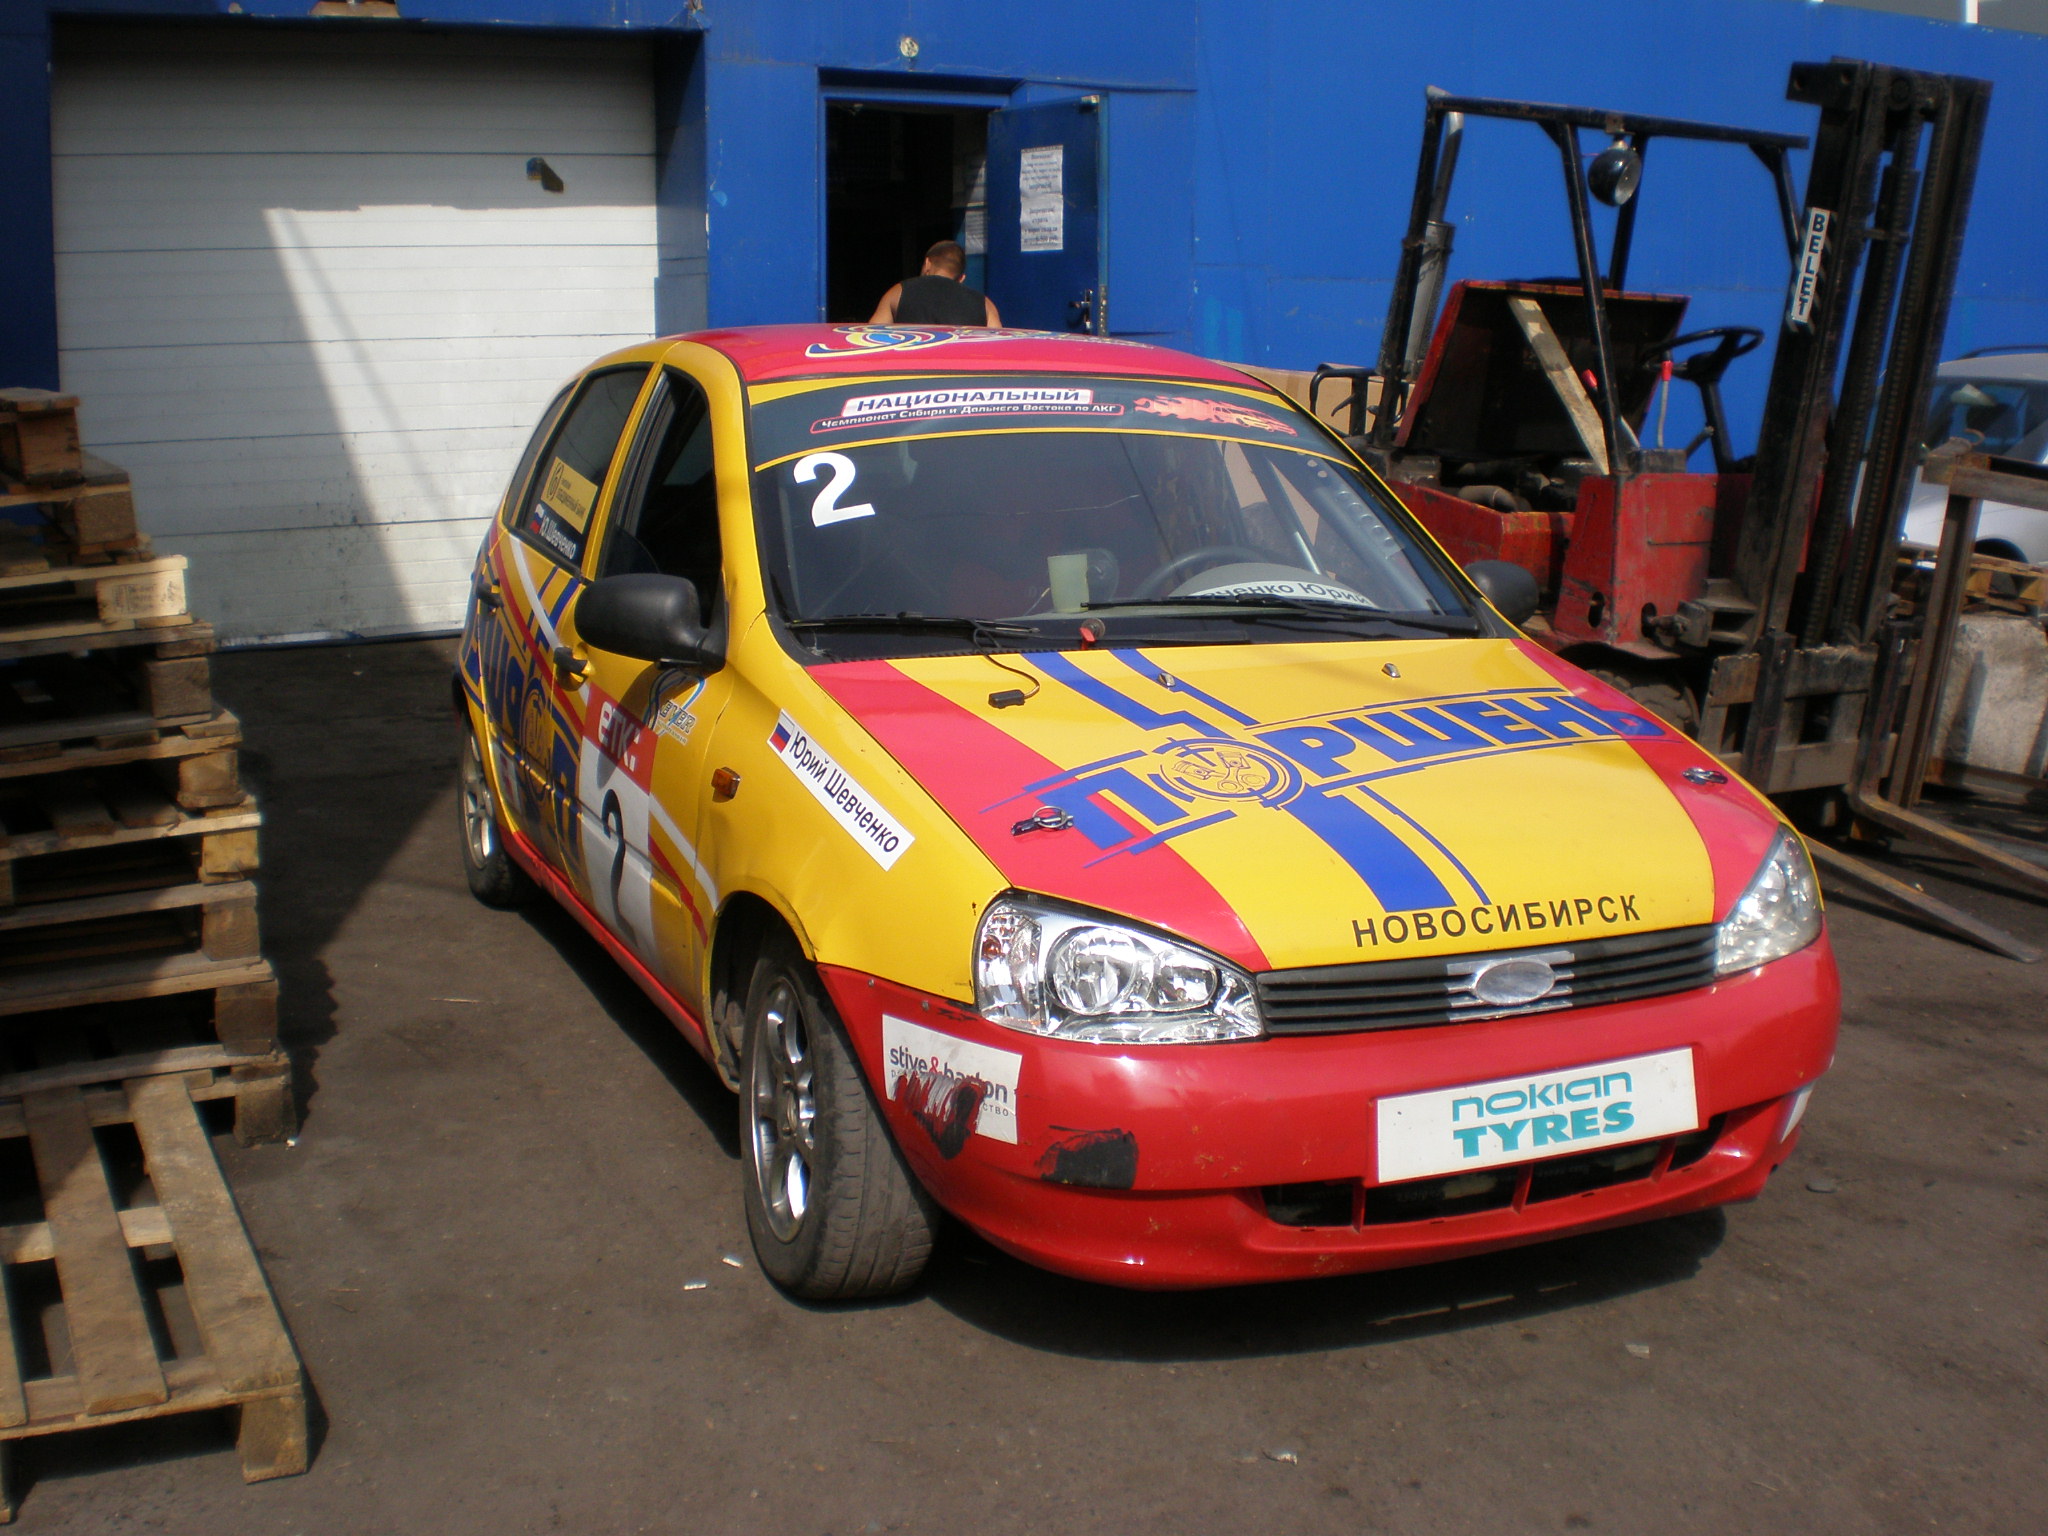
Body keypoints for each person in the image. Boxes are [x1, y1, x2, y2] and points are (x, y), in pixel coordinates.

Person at [869, 241, 1000, 326]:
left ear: (927, 264)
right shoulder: (985, 304)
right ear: (961, 278)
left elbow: (872, 338)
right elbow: (998, 347)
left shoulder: (898, 292)